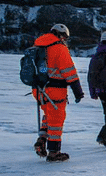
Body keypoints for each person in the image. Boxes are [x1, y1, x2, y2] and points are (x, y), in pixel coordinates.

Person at [32, 24, 84, 162]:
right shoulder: (59, 48)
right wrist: (78, 91)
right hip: (55, 90)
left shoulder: (38, 45)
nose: (65, 40)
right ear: (61, 35)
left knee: (48, 115)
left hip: (38, 89)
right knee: (56, 120)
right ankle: (54, 152)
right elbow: (69, 72)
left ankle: (42, 139)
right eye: (65, 38)